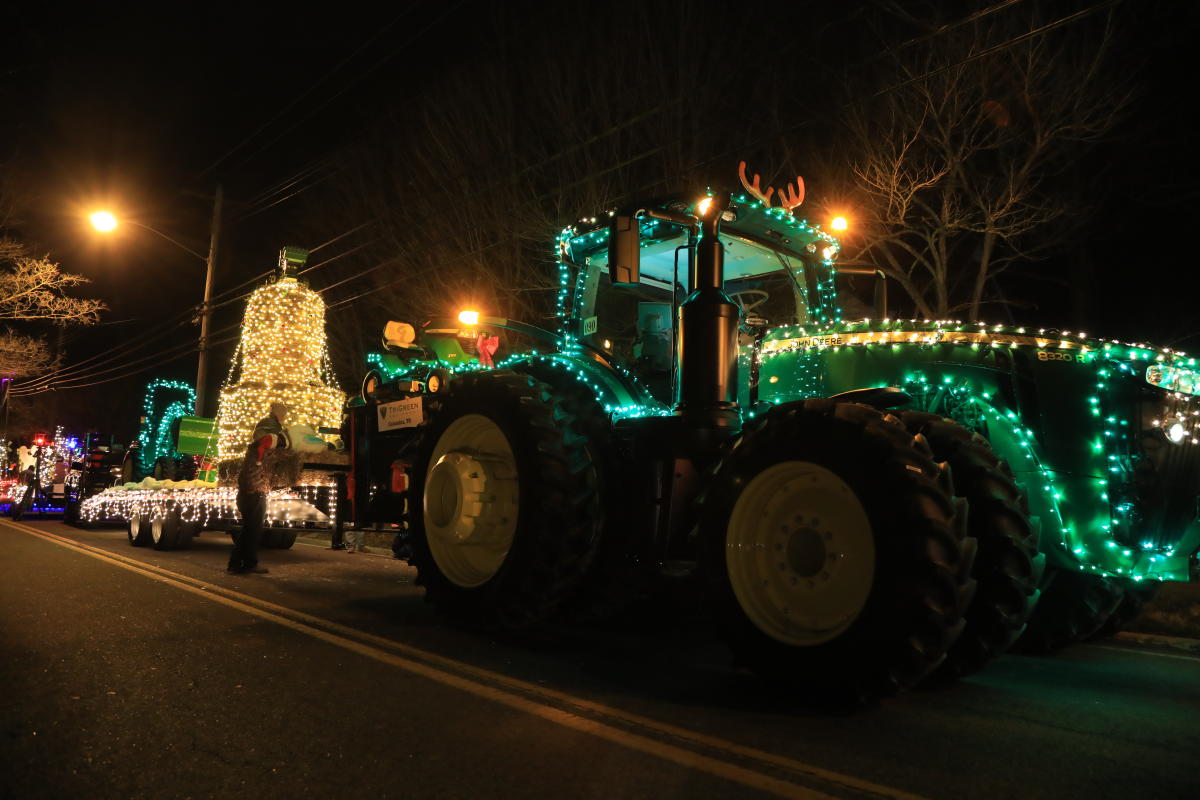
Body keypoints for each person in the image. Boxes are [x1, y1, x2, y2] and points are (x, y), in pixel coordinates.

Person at [228, 402, 290, 575]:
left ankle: (239, 564)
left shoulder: (257, 452)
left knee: (249, 530)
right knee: (252, 531)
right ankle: (244, 564)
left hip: (251, 493)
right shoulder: (259, 451)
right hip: (254, 494)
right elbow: (256, 473)